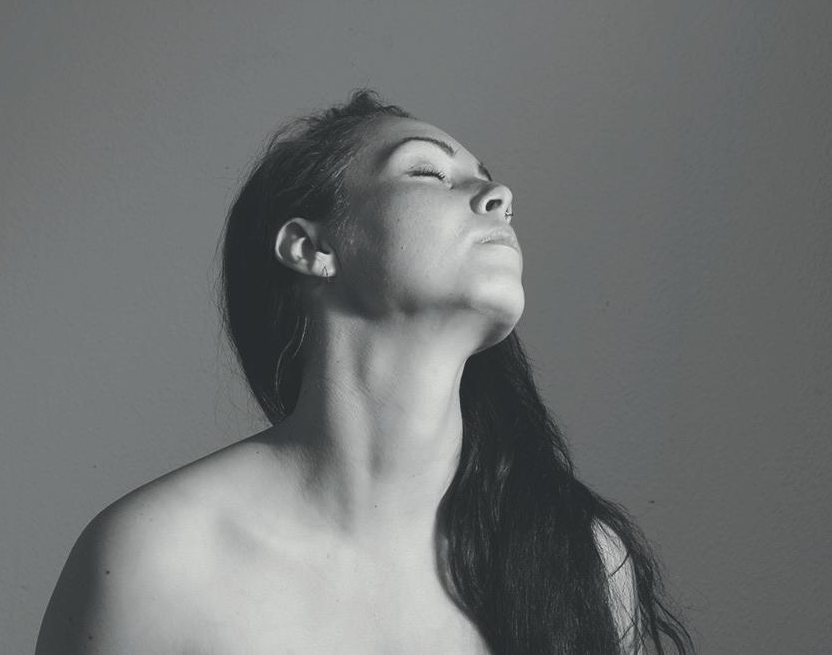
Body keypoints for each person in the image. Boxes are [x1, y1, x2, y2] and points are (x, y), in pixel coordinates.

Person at [36, 90, 693, 654]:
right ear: (311, 246)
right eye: (428, 172)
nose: (499, 196)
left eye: (488, 180)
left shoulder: (583, 556)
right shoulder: (153, 560)